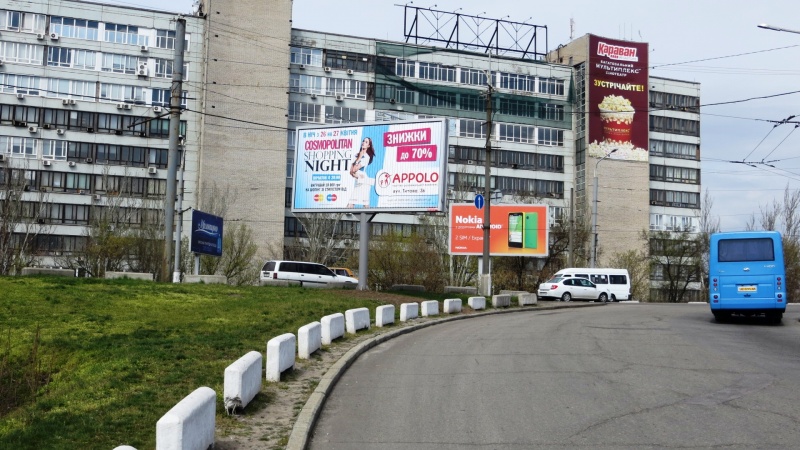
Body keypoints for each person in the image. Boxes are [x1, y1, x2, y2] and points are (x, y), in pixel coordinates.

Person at [347, 137, 376, 208]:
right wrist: (355, 175)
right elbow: (351, 171)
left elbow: (354, 169)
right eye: (363, 141)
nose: (363, 143)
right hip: (358, 180)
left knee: (364, 204)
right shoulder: (356, 155)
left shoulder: (366, 157)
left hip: (364, 181)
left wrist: (359, 158)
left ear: (368, 146)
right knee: (351, 204)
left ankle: (370, 215)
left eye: (366, 142)